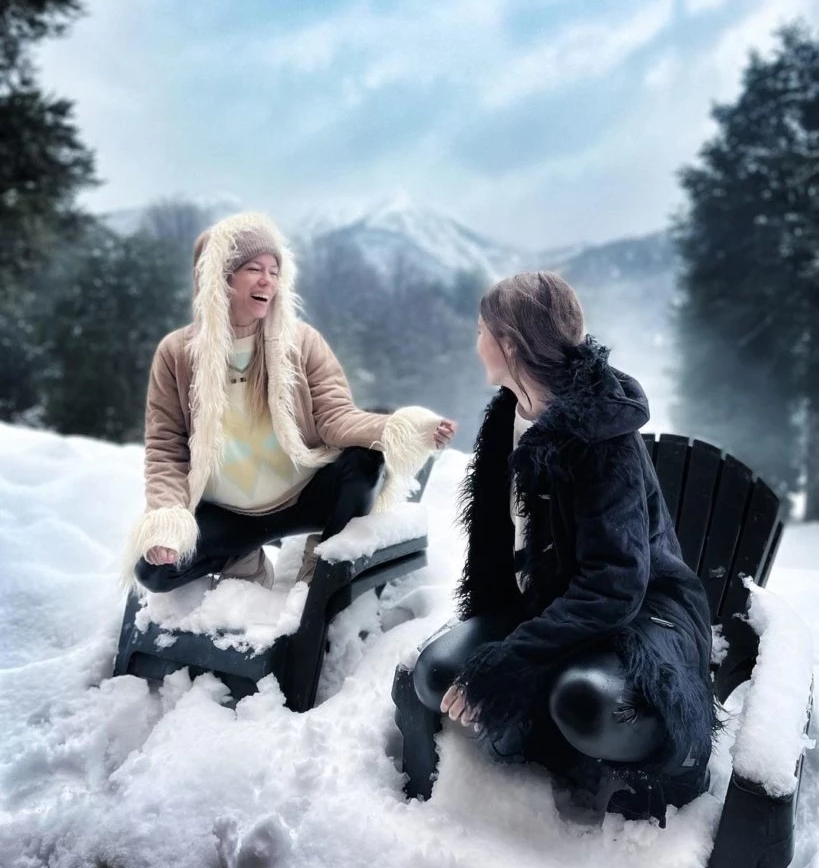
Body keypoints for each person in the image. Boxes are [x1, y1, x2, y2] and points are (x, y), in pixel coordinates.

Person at [411, 271, 715, 825]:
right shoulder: (509, 412)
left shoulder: (601, 439)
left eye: (481, 331)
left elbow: (614, 585)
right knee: (437, 673)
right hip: (546, 598)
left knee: (582, 702)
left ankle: (648, 781)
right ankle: (526, 745)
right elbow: (502, 542)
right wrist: (501, 636)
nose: (475, 344)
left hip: (642, 613)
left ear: (509, 344)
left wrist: (513, 659)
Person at [122, 211, 456, 592]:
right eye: (253, 269)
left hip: (304, 497)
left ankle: (323, 560)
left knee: (365, 455)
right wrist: (166, 522)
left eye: (274, 271)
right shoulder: (177, 353)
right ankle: (240, 554)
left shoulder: (301, 341)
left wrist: (402, 429)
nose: (268, 280)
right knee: (154, 571)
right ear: (219, 278)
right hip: (229, 514)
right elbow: (166, 451)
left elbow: (335, 417)